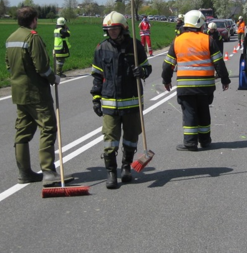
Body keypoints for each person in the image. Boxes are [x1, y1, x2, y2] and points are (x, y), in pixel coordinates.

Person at [5, 6, 73, 186]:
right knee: (48, 128)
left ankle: (24, 172)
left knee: (22, 131)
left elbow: (8, 64)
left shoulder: (11, 38)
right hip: (36, 92)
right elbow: (42, 67)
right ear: (33, 19)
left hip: (18, 93)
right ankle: (49, 172)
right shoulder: (32, 38)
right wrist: (54, 78)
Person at [91, 12, 152, 189]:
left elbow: (147, 68)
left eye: (115, 29)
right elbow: (97, 75)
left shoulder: (135, 46)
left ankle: (126, 167)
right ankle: (111, 172)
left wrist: (142, 72)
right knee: (110, 139)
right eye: (109, 29)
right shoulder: (101, 48)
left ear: (123, 28)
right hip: (110, 101)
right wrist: (96, 98)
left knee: (131, 137)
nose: (112, 32)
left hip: (132, 100)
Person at [162, 10, 230, 151]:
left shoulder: (178, 40)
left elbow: (168, 64)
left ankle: (190, 143)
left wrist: (166, 80)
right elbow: (219, 62)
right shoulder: (207, 40)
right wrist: (225, 79)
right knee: (204, 111)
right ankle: (205, 141)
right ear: (199, 24)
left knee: (189, 113)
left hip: (185, 86)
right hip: (205, 86)